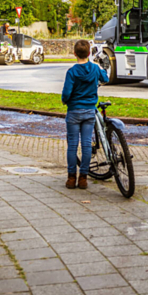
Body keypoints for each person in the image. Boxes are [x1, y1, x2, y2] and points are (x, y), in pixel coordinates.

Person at [61, 39, 109, 190]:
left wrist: (65, 100)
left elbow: (66, 93)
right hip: (89, 111)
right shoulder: (94, 69)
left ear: (74, 53)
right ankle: (83, 178)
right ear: (89, 53)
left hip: (74, 111)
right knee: (87, 144)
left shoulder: (72, 72)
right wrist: (100, 68)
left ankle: (71, 178)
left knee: (73, 145)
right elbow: (106, 79)